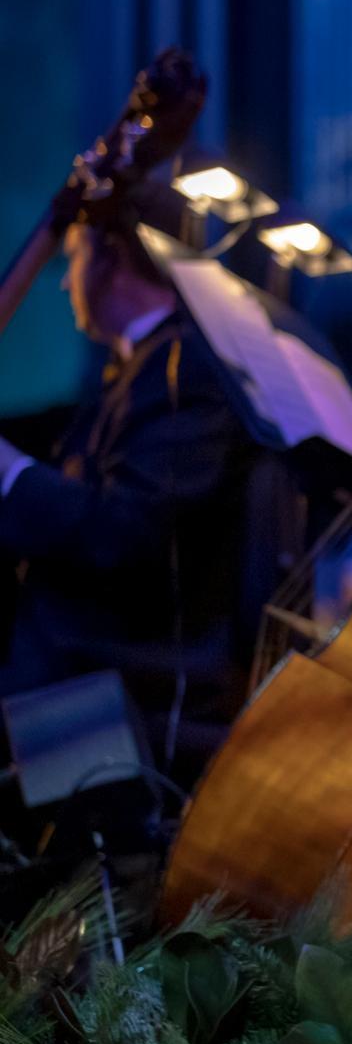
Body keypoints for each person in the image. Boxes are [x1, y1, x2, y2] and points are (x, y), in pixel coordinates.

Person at [0, 210, 258, 764]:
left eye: (72, 257)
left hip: (120, 673)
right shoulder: (142, 366)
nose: (67, 281)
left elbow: (125, 533)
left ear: (110, 254)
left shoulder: (185, 369)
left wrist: (7, 471)